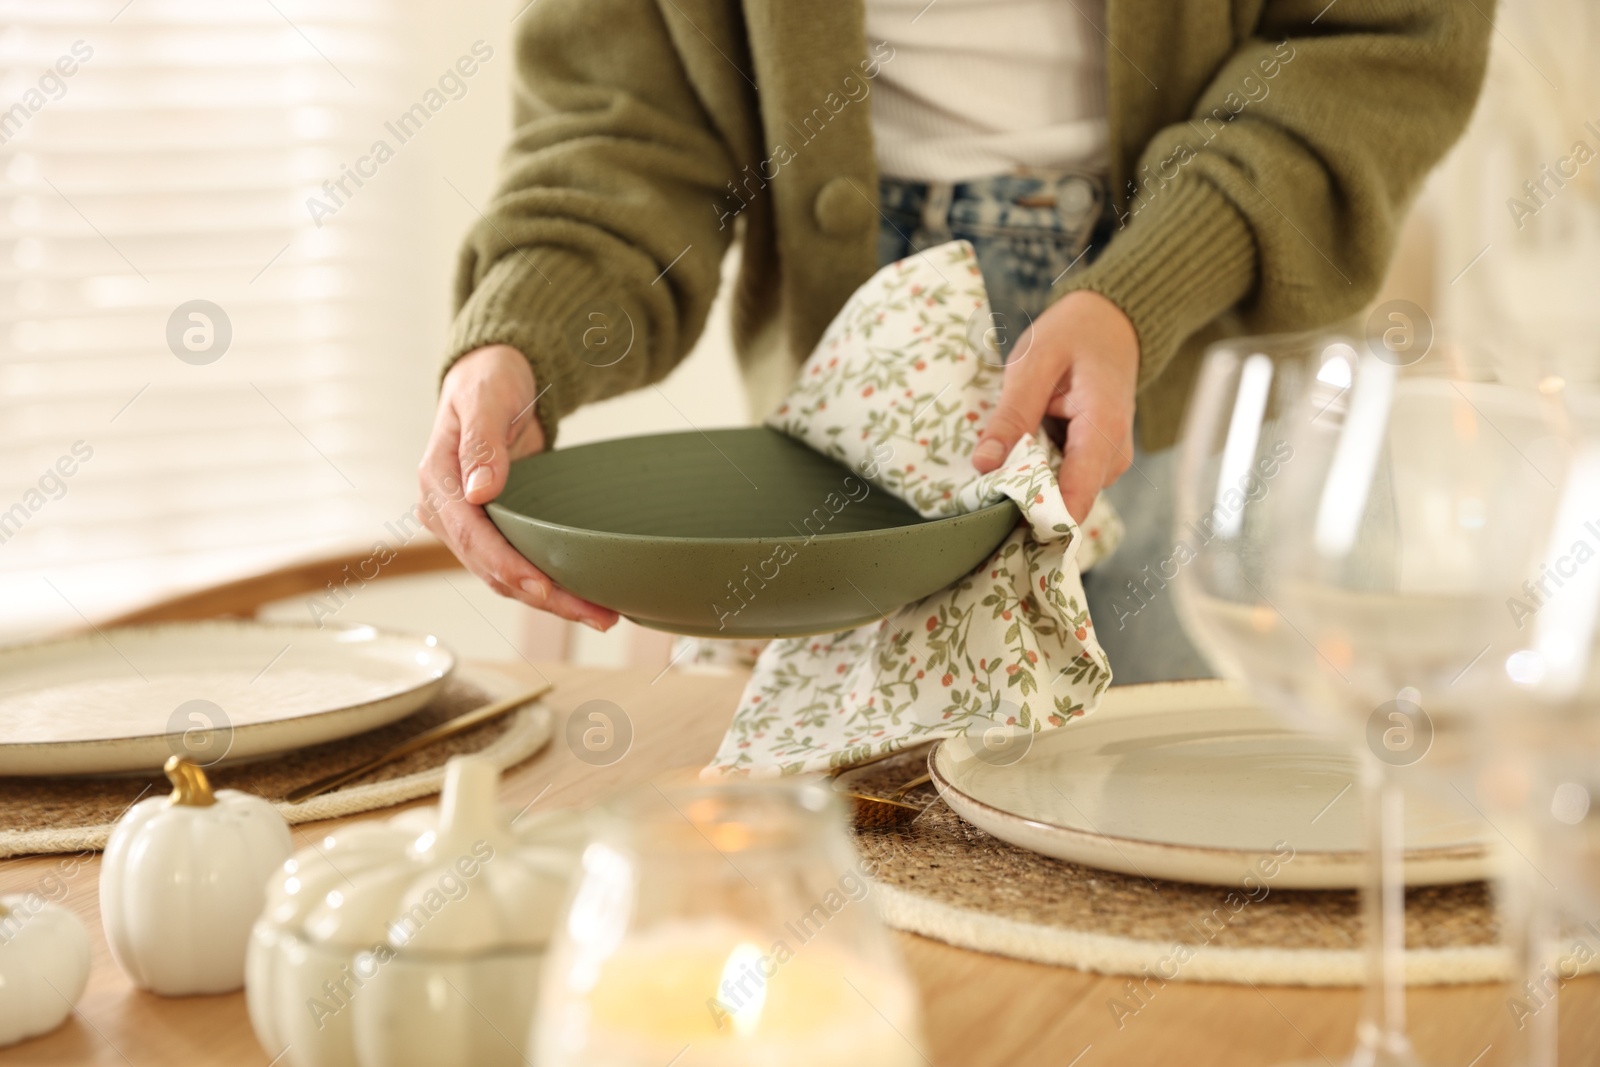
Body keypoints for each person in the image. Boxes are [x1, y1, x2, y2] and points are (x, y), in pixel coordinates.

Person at [418, 0, 1492, 681]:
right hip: (846, 433)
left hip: (1218, 398)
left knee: (1249, 904)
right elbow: (623, 122)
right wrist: (522, 335)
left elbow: (1380, 39)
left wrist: (1152, 281)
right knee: (887, 927)